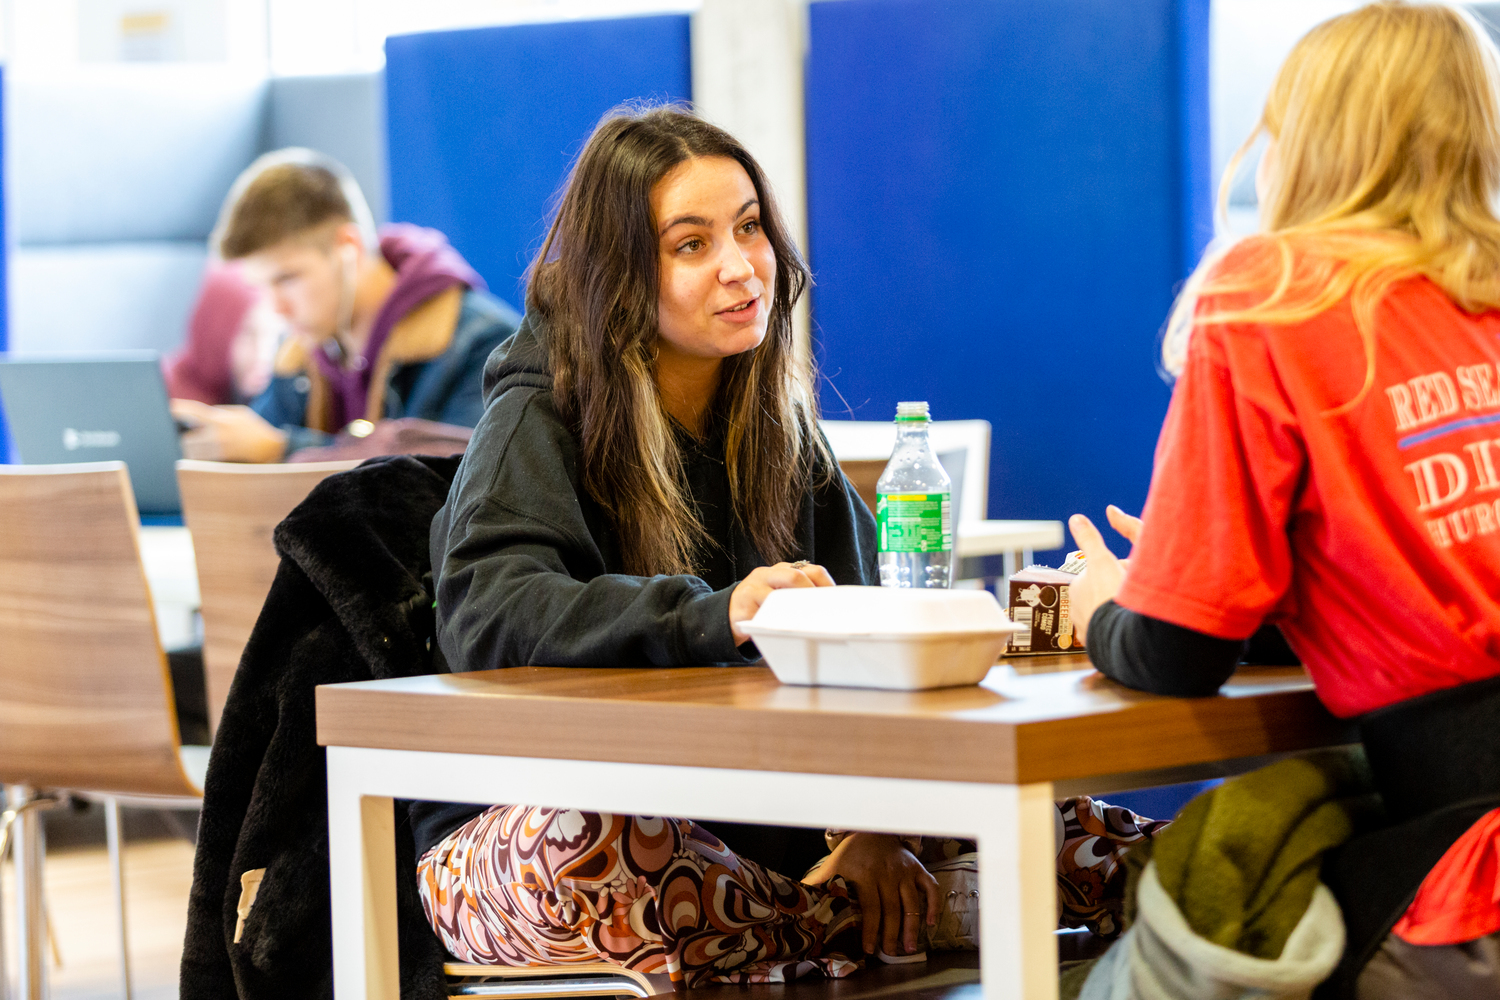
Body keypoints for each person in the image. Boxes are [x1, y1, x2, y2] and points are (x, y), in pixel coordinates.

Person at [420, 105, 1162, 988]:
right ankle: (873, 915)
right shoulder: (538, 411)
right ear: (617, 273)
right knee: (603, 851)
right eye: (690, 245)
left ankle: (846, 906)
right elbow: (488, 610)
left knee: (1079, 835)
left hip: (763, 819)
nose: (741, 268)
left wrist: (872, 829)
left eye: (749, 229)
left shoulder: (777, 428)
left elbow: (871, 649)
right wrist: (712, 615)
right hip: (545, 826)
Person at [1066, 3, 1500, 994]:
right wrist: (1230, 576)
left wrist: (1111, 606)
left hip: (1471, 873)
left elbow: (1176, 658)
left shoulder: (1274, 296)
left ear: (1308, 132)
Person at [171, 148, 520, 462]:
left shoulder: (486, 345)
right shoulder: (299, 352)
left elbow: (460, 485)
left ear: (348, 247)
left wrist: (283, 450)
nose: (277, 309)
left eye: (287, 279)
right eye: (263, 288)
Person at [163, 264, 283, 406]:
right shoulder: (162, 395)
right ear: (216, 331)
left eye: (276, 336)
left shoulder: (281, 398)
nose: (264, 355)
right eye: (249, 335)